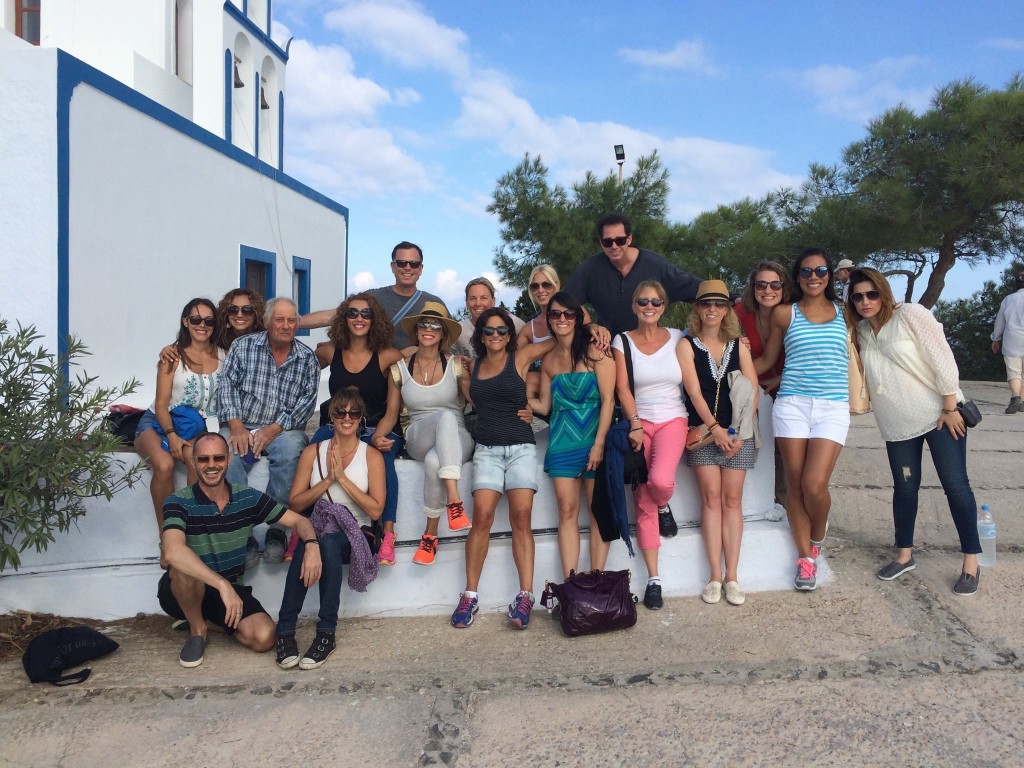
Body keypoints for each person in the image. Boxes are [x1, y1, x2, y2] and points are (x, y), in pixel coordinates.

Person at [845, 268, 983, 595]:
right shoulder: (860, 331)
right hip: (897, 424)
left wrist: (950, 407)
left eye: (871, 294)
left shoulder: (910, 314)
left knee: (955, 486)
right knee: (905, 489)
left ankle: (971, 562)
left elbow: (943, 360)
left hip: (940, 415)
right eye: (858, 296)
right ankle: (904, 555)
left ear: (883, 292)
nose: (865, 301)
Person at [159, 432, 322, 669]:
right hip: (183, 589)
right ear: (194, 462)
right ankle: (197, 629)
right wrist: (222, 585)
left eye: (218, 458)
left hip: (229, 590)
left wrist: (312, 546)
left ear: (227, 459)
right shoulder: (178, 501)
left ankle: (208, 619)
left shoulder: (247, 498)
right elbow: (173, 551)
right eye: (204, 459)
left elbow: (300, 521)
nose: (211, 465)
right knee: (184, 569)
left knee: (264, 638)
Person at [450, 308, 554, 630]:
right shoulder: (474, 365)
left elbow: (560, 336)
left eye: (501, 331)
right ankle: (470, 594)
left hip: (521, 448)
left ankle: (525, 595)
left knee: (521, 517)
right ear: (480, 335)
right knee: (481, 516)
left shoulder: (520, 358)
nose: (495, 336)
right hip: (487, 450)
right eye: (489, 331)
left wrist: (593, 329)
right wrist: (464, 374)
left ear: (510, 334)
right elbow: (473, 400)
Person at [756, 249, 849, 592]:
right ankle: (806, 559)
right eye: (807, 272)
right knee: (794, 485)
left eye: (821, 270)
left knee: (814, 486)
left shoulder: (846, 312)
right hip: (792, 404)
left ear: (829, 275)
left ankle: (817, 536)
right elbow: (767, 359)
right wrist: (721, 372)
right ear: (797, 278)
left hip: (833, 407)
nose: (814, 276)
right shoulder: (784, 314)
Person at [275, 389, 386, 669]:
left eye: (353, 413)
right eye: (340, 412)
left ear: (361, 419)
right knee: (309, 544)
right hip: (320, 527)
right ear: (331, 417)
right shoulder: (313, 452)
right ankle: (285, 632)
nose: (346, 418)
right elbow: (296, 501)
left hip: (358, 532)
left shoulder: (370, 456)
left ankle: (326, 633)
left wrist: (341, 479)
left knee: (327, 543)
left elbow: (375, 511)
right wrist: (326, 483)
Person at [308, 294, 404, 565]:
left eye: (366, 314)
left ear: (375, 320)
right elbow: (299, 367)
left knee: (384, 464)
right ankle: (303, 528)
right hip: (338, 423)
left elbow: (393, 410)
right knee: (310, 455)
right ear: (343, 318)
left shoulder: (388, 356)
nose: (359, 319)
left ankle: (387, 535)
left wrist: (376, 435)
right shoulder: (328, 351)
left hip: (377, 425)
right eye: (352, 313)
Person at [679, 280, 759, 606]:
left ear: (727, 309)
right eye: (706, 303)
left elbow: (751, 387)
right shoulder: (687, 345)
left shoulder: (738, 346)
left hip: (738, 435)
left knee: (732, 501)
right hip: (705, 434)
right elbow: (693, 391)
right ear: (697, 308)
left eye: (719, 304)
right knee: (711, 500)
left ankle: (733, 577)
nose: (712, 309)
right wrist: (716, 428)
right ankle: (714, 575)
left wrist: (739, 432)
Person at [611, 281, 687, 610]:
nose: (649, 306)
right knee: (642, 499)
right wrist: (636, 423)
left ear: (664, 306)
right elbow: (623, 388)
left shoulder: (679, 338)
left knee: (660, 482)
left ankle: (665, 505)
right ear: (634, 306)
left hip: (674, 419)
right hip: (640, 423)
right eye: (643, 301)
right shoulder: (622, 341)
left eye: (656, 302)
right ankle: (654, 580)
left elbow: (700, 370)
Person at [530, 292, 616, 578]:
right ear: (549, 319)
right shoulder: (549, 360)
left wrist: (599, 444)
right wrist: (509, 399)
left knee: (596, 511)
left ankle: (596, 579)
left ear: (579, 318)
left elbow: (609, 401)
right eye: (555, 314)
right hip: (561, 443)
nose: (562, 319)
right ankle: (571, 582)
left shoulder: (595, 350)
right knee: (566, 512)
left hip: (594, 441)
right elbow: (543, 405)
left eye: (569, 314)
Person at [389, 301, 474, 565]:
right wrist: (378, 437)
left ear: (442, 333)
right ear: (416, 330)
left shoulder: (457, 365)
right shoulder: (399, 367)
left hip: (457, 436)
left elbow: (475, 401)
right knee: (444, 418)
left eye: (435, 326)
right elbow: (392, 414)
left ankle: (430, 536)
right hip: (418, 435)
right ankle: (454, 499)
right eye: (424, 324)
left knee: (436, 460)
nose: (429, 329)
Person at [134, 298, 224, 548]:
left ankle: (193, 532)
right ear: (185, 322)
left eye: (208, 320)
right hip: (159, 422)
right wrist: (171, 434)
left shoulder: (224, 355)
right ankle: (168, 537)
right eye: (195, 319)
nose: (202, 325)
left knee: (198, 463)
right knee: (163, 465)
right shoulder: (172, 356)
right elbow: (161, 405)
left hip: (197, 427)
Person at [218, 298, 320, 510]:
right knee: (229, 453)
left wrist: (273, 429)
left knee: (291, 449)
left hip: (283, 430)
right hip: (242, 423)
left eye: (291, 320)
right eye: (279, 319)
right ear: (266, 322)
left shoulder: (307, 358)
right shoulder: (243, 347)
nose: (286, 325)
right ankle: (239, 521)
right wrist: (236, 427)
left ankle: (277, 523)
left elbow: (307, 404)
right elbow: (227, 387)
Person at [563, 212, 702, 335]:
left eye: (620, 240)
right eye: (607, 242)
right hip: (608, 353)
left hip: (647, 351)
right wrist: (588, 325)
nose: (614, 246)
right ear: (601, 242)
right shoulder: (591, 268)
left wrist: (692, 333)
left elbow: (699, 290)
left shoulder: (656, 265)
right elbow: (564, 302)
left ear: (629, 239)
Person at [300, 242, 448, 351]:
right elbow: (332, 316)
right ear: (393, 267)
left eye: (414, 264)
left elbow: (451, 339)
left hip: (414, 381)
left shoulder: (434, 303)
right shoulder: (372, 298)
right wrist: (292, 323)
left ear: (421, 269)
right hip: (378, 378)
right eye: (402, 263)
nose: (408, 267)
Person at [735, 262, 791, 507]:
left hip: (791, 387)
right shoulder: (739, 314)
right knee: (757, 444)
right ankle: (757, 504)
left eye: (775, 284)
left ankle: (785, 503)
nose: (768, 290)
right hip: (754, 388)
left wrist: (782, 377)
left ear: (784, 287)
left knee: (787, 451)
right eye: (761, 284)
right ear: (753, 288)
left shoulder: (794, 314)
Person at [453, 277, 525, 359]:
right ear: (466, 302)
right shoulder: (458, 330)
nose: (478, 303)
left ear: (493, 301)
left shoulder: (514, 323)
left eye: (483, 298)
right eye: (472, 298)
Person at [990, 268, 1024, 414]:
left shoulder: (1008, 299)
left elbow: (1000, 322)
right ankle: (1022, 401)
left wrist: (995, 338)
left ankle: (1016, 399)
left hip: (1013, 339)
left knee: (1014, 372)